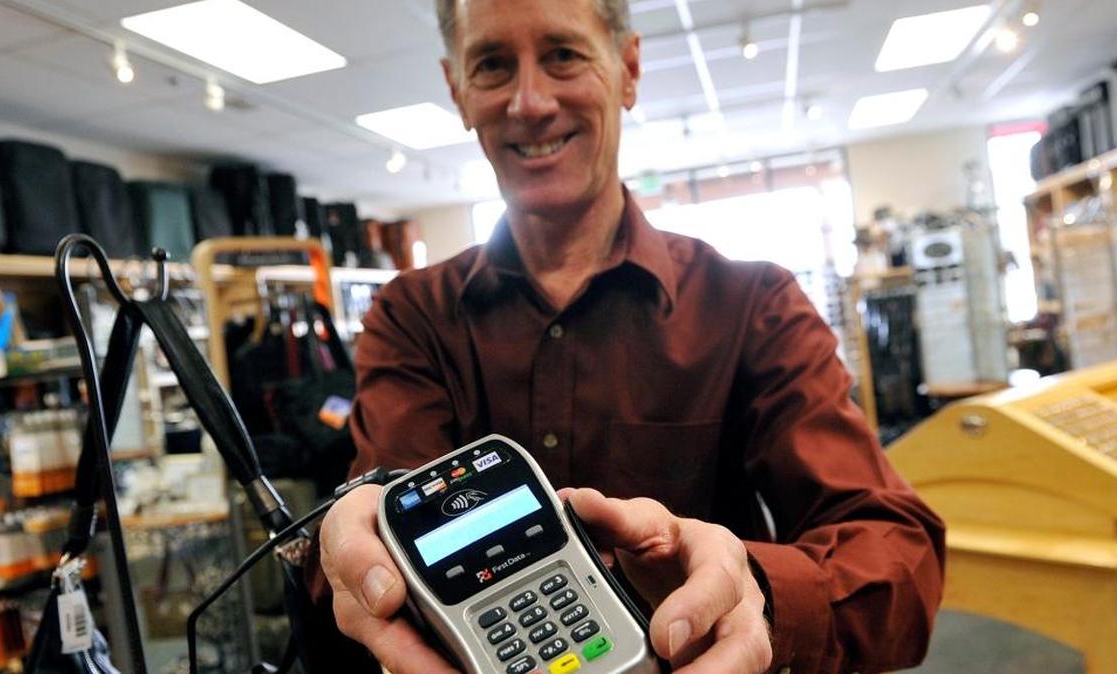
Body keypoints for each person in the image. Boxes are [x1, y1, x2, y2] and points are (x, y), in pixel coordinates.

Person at [314, 0, 946, 672]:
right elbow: (380, 547)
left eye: (563, 55)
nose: (529, 102)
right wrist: (354, 555)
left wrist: (754, 596)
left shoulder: (753, 304)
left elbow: (899, 553)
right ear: (458, 90)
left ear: (629, 69)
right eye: (493, 64)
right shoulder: (411, 317)